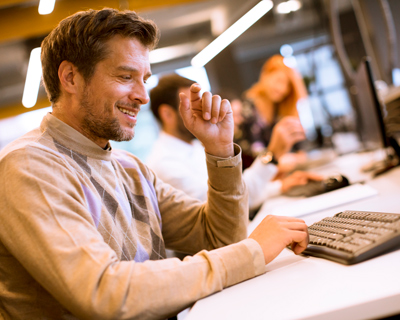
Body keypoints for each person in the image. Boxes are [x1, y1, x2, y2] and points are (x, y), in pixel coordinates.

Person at [0, 8, 309, 320]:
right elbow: (104, 294)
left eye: (143, 79)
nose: (142, 96)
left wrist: (219, 151)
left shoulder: (129, 168)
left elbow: (220, 239)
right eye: (125, 76)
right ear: (70, 77)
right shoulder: (29, 166)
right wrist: (252, 252)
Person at [147, 74, 322, 212]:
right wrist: (272, 154)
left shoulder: (192, 146)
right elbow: (226, 205)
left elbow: (234, 190)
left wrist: (280, 186)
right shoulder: (165, 164)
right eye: (193, 107)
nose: (202, 112)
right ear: (167, 114)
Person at [237, 54, 309, 170]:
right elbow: (253, 152)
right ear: (265, 76)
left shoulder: (282, 109)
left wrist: (295, 158)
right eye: (279, 81)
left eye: (287, 85)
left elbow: (301, 150)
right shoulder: (248, 108)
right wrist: (278, 160)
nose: (282, 89)